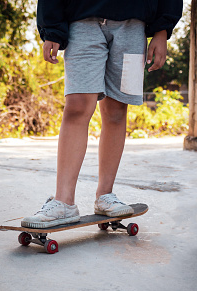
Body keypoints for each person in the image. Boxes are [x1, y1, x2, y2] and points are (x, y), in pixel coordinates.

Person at [22, 0, 183, 228]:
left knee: (117, 109)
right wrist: (52, 27)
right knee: (77, 106)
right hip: (82, 18)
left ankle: (105, 195)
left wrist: (162, 29)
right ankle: (64, 201)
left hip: (133, 24)